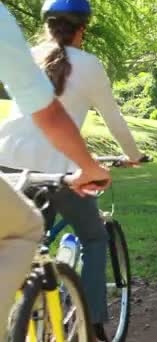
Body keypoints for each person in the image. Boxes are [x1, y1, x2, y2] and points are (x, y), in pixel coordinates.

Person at [0, 0, 145, 339]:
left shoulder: (29, 53)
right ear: (83, 28)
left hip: (6, 163)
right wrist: (134, 155)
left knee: (28, 243)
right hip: (59, 171)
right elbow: (115, 121)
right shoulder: (90, 65)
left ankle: (24, 314)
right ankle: (91, 322)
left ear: (46, 25)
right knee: (94, 237)